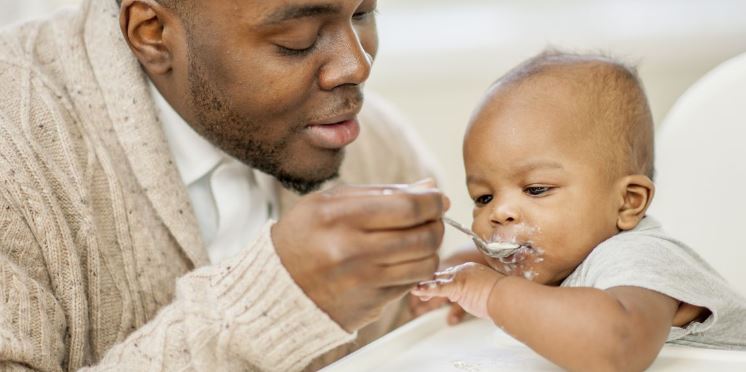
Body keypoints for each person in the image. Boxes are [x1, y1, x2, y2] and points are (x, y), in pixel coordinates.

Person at [0, 0, 449, 370]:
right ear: (152, 31)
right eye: (297, 41)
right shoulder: (14, 155)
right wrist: (273, 310)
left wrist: (447, 307)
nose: (357, 65)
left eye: (362, 15)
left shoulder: (374, 147)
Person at [412, 51, 746, 371]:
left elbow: (617, 347)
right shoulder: (561, 256)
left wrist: (491, 294)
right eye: (483, 198)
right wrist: (458, 268)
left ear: (628, 202)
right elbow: (506, 262)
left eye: (536, 189)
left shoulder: (640, 258)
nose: (499, 213)